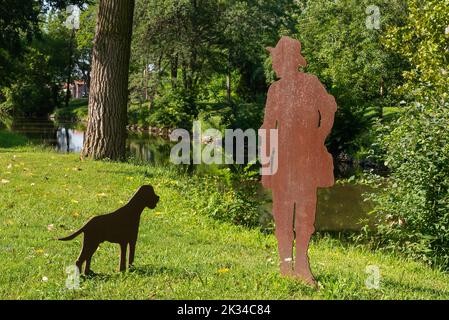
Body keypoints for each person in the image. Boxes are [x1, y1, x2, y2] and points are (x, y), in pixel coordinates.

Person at [261, 36, 337, 286]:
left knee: (305, 213)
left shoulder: (311, 84)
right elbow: (268, 127)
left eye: (279, 59)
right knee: (282, 213)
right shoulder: (276, 90)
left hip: (306, 158)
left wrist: (319, 138)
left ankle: (302, 265)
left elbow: (329, 109)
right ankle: (285, 265)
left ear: (290, 60)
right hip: (282, 159)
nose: (276, 64)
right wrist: (268, 166)